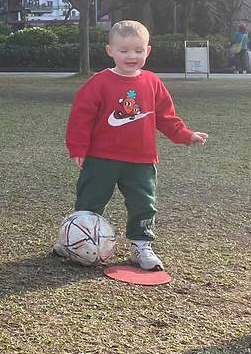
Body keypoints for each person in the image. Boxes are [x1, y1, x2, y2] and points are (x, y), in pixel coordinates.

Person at [57, 20, 208, 271]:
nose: (131, 56)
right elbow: (80, 117)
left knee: (143, 204)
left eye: (138, 50)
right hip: (101, 157)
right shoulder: (99, 82)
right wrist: (77, 148)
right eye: (124, 50)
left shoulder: (152, 82)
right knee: (90, 201)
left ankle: (141, 245)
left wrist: (185, 135)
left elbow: (166, 117)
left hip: (141, 159)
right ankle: (74, 241)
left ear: (147, 52)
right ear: (110, 51)